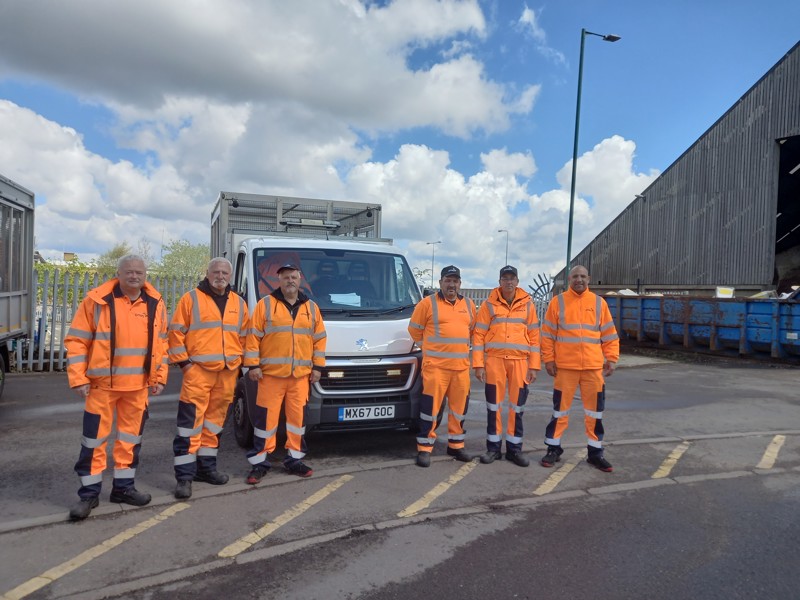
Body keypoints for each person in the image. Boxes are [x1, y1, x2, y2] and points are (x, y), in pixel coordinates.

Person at [65, 255, 168, 520]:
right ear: (118, 274)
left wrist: (158, 378)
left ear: (146, 274)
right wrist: (78, 378)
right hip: (102, 387)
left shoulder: (156, 304)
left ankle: (123, 488)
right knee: (94, 442)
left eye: (139, 272)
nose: (134, 276)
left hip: (138, 388)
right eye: (129, 272)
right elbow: (77, 341)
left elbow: (162, 344)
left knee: (129, 442)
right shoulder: (96, 302)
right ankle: (88, 495)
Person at [169, 257, 249, 499]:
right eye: (216, 272)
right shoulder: (191, 299)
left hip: (227, 374)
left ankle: (206, 469)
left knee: (213, 425)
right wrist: (185, 365)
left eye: (225, 272)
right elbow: (174, 333)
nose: (221, 276)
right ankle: (184, 477)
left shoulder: (239, 303)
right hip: (198, 373)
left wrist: (241, 364)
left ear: (230, 276)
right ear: (207, 273)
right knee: (189, 427)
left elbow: (245, 337)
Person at [244, 263, 326, 480]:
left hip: (300, 377)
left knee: (297, 422)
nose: (290, 280)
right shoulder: (266, 305)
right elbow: (253, 337)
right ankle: (259, 463)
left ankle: (294, 460)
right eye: (286, 277)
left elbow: (320, 340)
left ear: (300, 280)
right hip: (270, 376)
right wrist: (253, 365)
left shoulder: (311, 308)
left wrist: (317, 367)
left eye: (294, 277)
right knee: (265, 423)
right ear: (278, 280)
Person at [539, 265, 619, 472]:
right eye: (575, 276)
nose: (579, 279)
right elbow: (547, 334)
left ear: (589, 279)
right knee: (560, 412)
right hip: (565, 368)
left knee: (595, 413)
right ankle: (553, 449)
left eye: (583, 276)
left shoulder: (599, 303)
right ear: (569, 279)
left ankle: (595, 453)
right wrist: (548, 360)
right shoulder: (558, 302)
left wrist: (612, 358)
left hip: (593, 368)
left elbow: (609, 333)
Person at [408, 265, 477, 467]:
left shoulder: (470, 306)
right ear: (440, 283)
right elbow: (414, 330)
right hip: (436, 368)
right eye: (448, 280)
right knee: (430, 410)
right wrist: (428, 348)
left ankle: (456, 445)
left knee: (458, 410)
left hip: (461, 368)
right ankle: (425, 448)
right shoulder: (427, 304)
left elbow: (472, 332)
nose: (452, 284)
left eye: (455, 281)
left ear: (460, 284)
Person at [472, 265, 540, 467]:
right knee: (494, 407)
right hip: (494, 361)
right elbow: (478, 336)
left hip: (520, 363)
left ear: (517, 281)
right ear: (499, 281)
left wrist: (534, 366)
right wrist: (478, 364)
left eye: (512, 278)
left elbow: (535, 337)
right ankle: (493, 449)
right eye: (505, 278)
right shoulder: (488, 305)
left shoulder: (528, 305)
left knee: (517, 407)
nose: (508, 282)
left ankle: (514, 449)